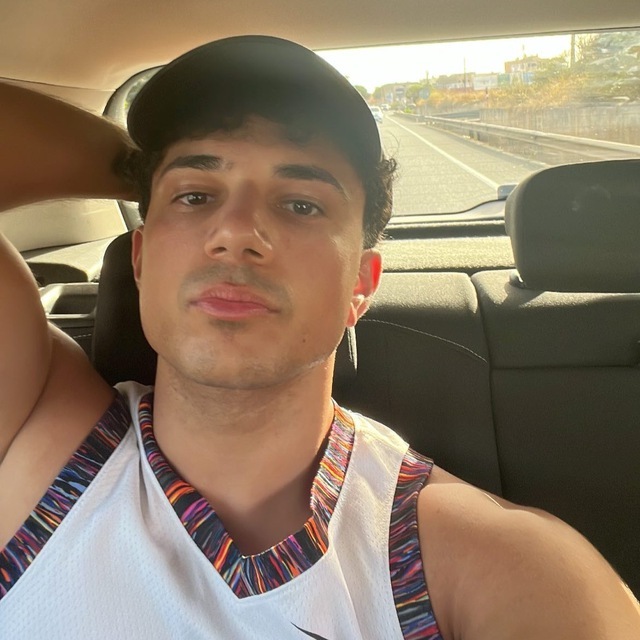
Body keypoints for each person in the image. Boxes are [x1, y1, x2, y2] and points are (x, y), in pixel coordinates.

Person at [0, 35, 638, 639]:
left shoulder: (495, 565)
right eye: (194, 197)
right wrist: (139, 168)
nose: (235, 232)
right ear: (140, 261)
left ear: (361, 283)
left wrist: (175, 177)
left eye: (300, 204)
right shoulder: (36, 444)